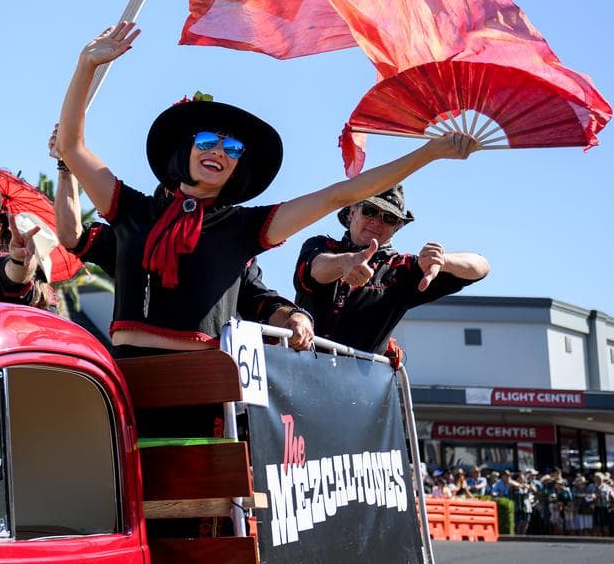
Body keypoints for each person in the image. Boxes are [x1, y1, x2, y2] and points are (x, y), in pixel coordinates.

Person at [54, 22, 478, 353]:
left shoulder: (243, 227)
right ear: (184, 149)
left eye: (232, 147)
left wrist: (431, 152)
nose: (218, 151)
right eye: (206, 140)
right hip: (127, 377)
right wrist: (86, 64)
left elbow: (339, 196)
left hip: (203, 383)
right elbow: (72, 147)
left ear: (238, 166)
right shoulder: (132, 210)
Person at [51, 125, 316, 349]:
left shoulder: (230, 241)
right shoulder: (137, 230)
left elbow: (261, 301)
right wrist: (67, 166)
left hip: (203, 373)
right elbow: (73, 236)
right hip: (133, 365)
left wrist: (294, 317)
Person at [293, 184, 490, 354]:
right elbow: (315, 270)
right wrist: (344, 262)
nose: (377, 221)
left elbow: (481, 267)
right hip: (296, 375)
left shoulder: (402, 270)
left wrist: (444, 260)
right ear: (352, 211)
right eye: (370, 210)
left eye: (389, 218)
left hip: (357, 390)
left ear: (397, 228)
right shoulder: (320, 246)